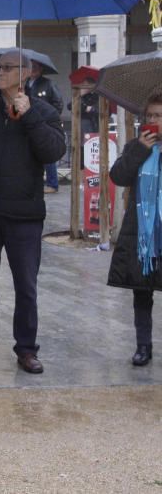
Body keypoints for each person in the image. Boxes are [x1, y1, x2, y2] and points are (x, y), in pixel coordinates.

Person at [0, 51, 66, 374]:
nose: (0, 73)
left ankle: (27, 349)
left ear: (27, 72)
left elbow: (53, 152)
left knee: (26, 286)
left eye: (7, 68)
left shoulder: (44, 111)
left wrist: (29, 116)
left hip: (25, 216)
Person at [107, 92, 162, 366]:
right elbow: (118, 176)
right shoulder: (135, 147)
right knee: (142, 292)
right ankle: (143, 346)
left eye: (158, 116)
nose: (151, 121)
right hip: (142, 232)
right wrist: (140, 150)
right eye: (148, 116)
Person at [25, 61, 64, 193]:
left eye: (36, 68)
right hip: (29, 123)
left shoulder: (48, 84)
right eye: (31, 67)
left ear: (41, 69)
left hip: (44, 124)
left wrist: (50, 118)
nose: (33, 70)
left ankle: (52, 183)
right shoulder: (24, 83)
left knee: (47, 153)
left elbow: (58, 103)